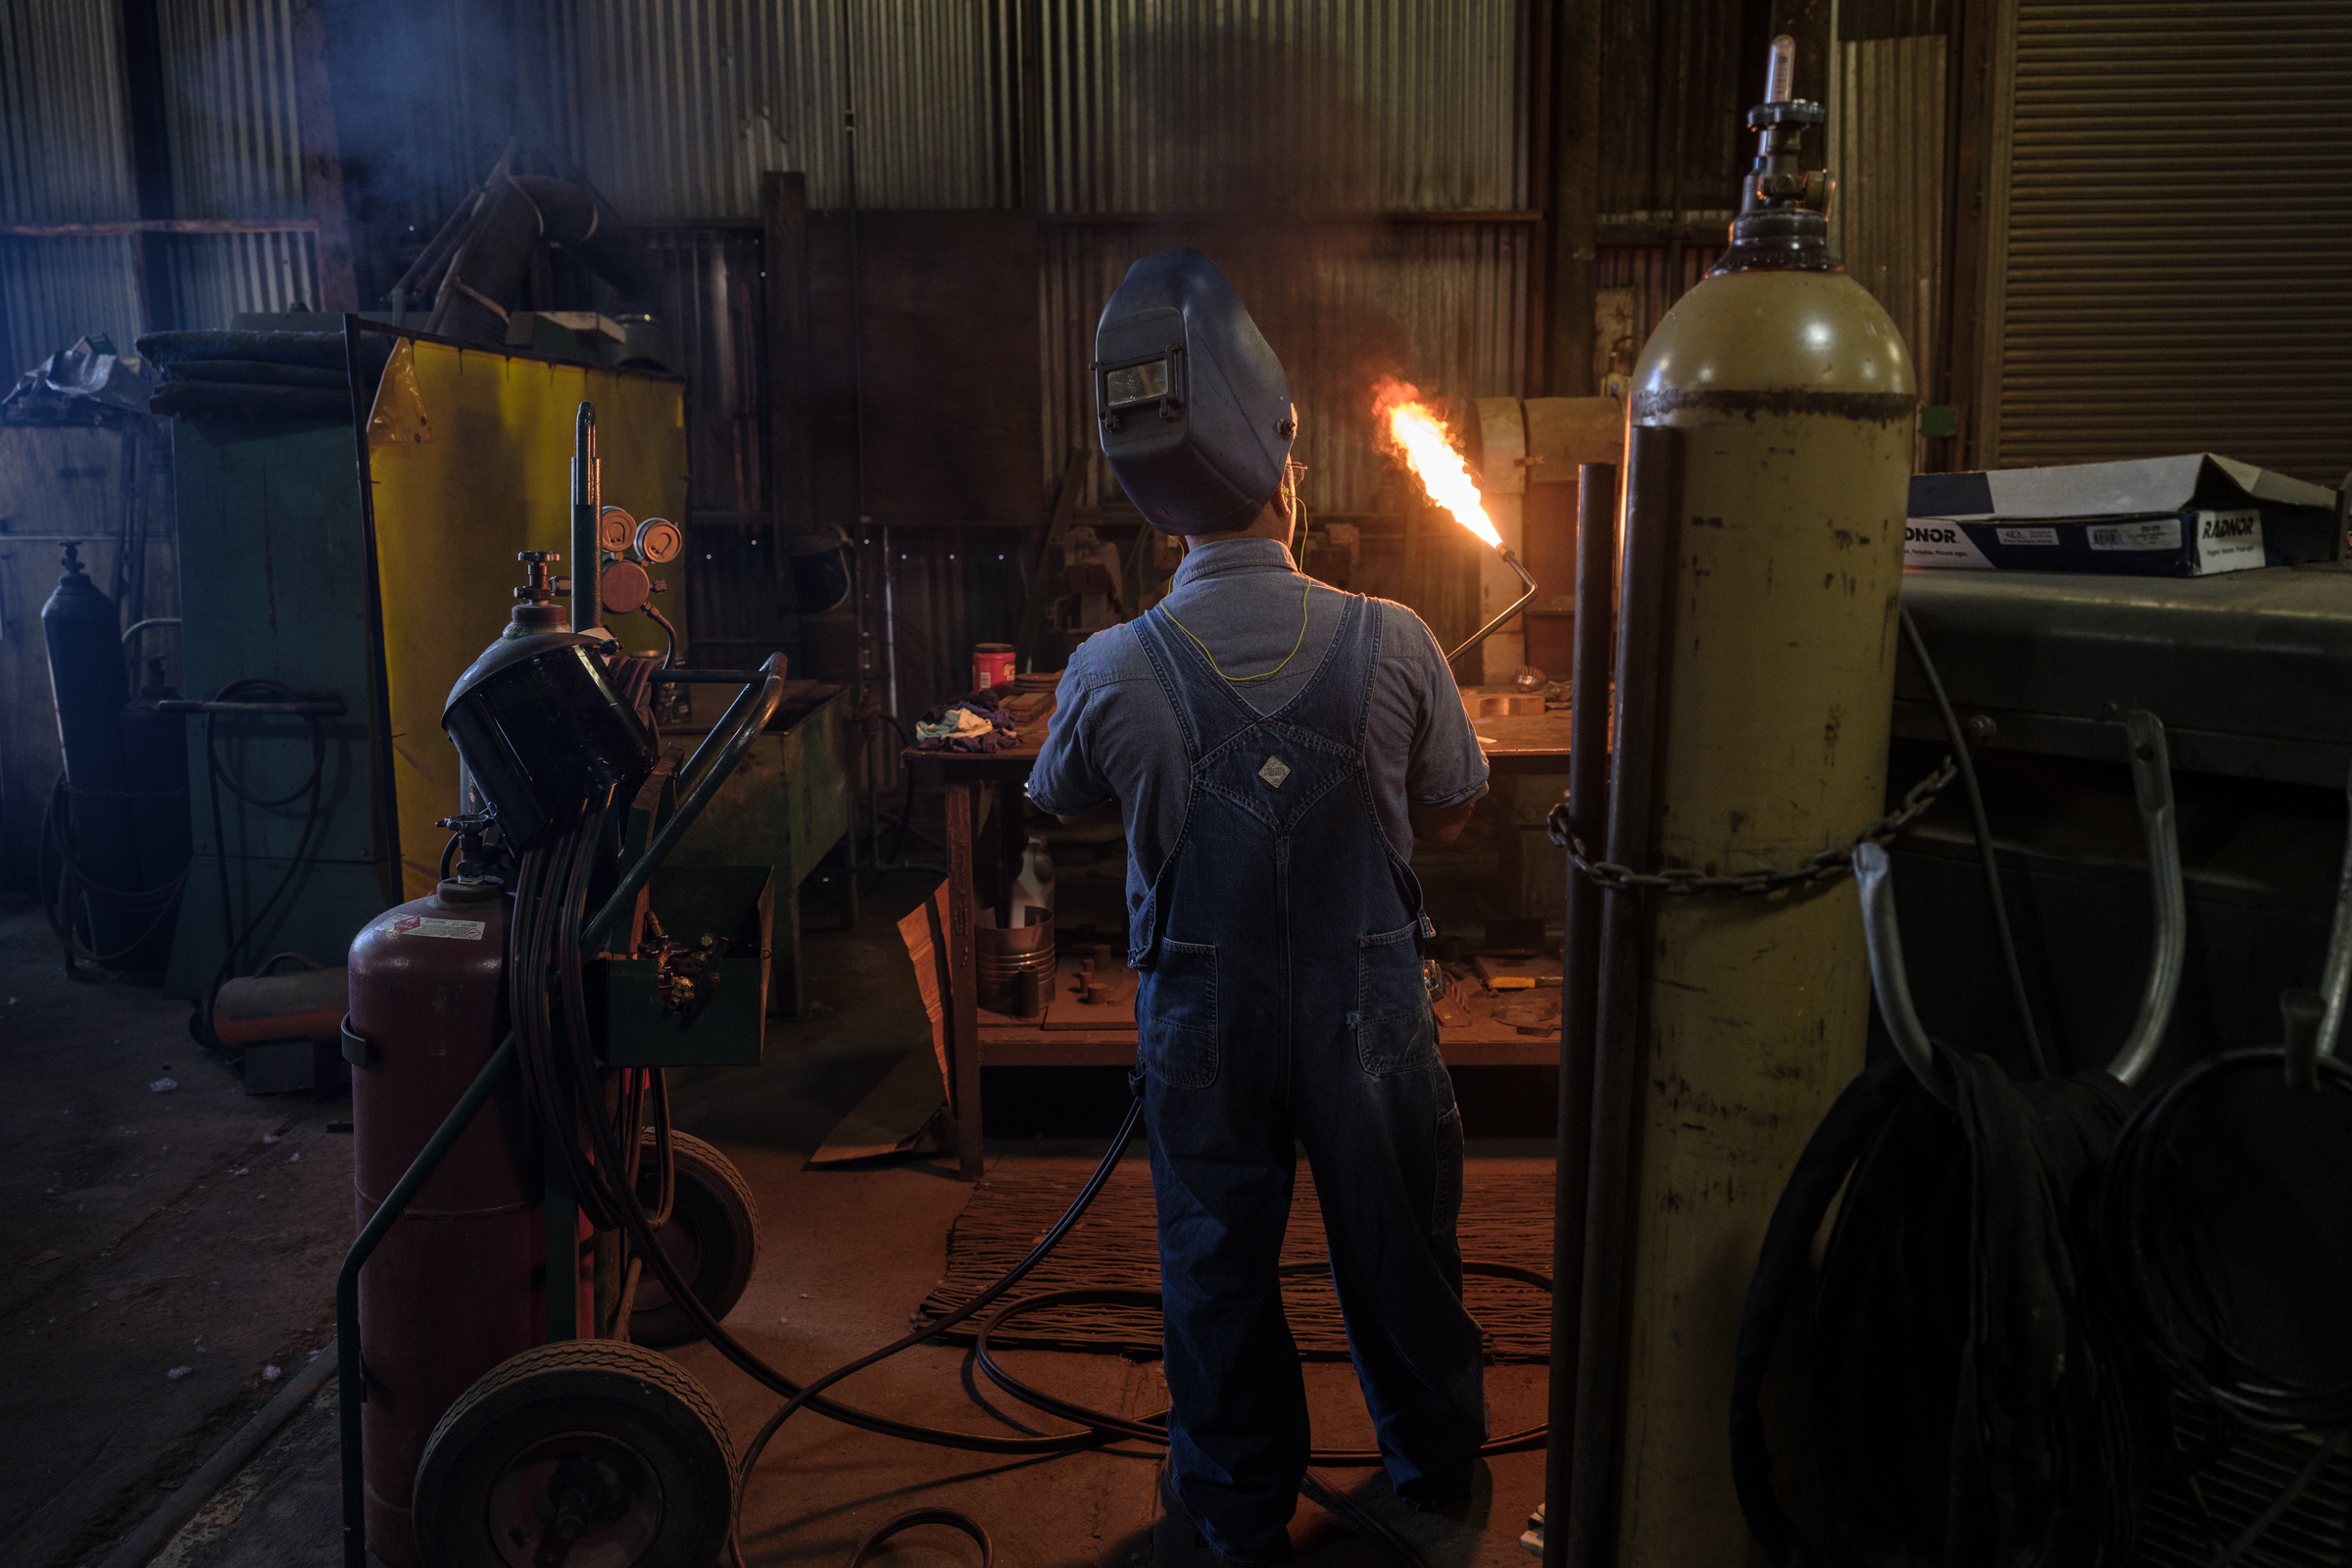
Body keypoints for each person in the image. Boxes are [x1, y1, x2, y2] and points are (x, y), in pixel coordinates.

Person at [1025, 248, 1490, 1565]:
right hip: (1370, 1011)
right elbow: (1457, 794)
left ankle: (1233, 1508)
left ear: (1159, 502)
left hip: (1204, 1026)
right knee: (1398, 1246)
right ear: (1286, 463)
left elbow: (1057, 794)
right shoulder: (1395, 638)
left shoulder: (1111, 665)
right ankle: (1437, 1473)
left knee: (1217, 1269)